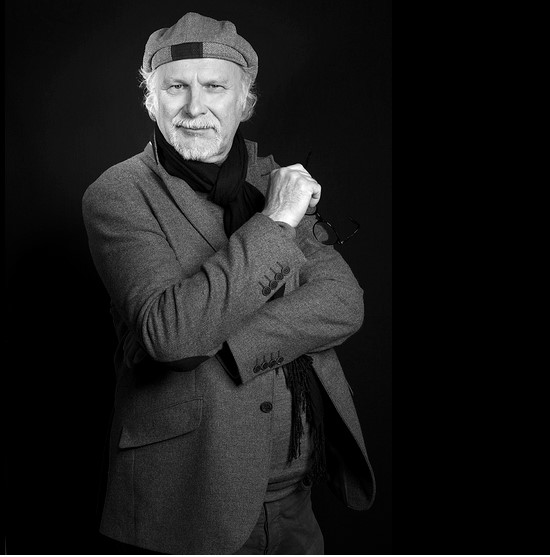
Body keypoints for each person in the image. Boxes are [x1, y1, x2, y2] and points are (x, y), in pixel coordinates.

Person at [82, 12, 375, 555]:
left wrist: (226, 343)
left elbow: (342, 303)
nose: (195, 108)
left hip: (295, 496)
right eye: (176, 87)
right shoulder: (119, 194)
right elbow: (173, 336)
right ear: (151, 100)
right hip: (188, 504)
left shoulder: (272, 178)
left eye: (215, 87)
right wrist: (277, 221)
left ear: (245, 101)